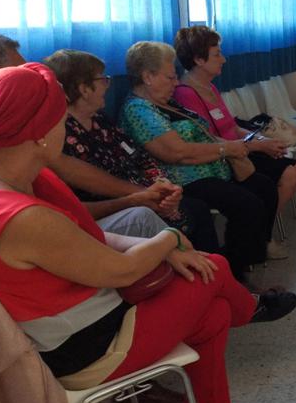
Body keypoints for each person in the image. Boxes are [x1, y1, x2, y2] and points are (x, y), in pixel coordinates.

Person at [0, 63, 296, 403]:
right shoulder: (20, 215)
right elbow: (121, 271)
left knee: (214, 312)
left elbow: (87, 237)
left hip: (94, 318)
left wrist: (164, 247)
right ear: (40, 135)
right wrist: (170, 238)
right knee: (216, 268)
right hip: (89, 348)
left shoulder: (14, 180)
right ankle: (248, 309)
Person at [120, 41, 281, 283]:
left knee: (264, 187)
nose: (176, 83)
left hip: (211, 168)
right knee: (247, 204)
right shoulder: (139, 111)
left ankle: (244, 259)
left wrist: (235, 148)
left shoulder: (166, 102)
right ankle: (231, 274)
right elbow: (176, 153)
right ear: (148, 76)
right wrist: (226, 148)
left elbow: (203, 133)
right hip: (185, 179)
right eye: (170, 77)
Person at [43, 49, 220, 254]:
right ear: (84, 89)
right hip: (114, 207)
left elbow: (140, 158)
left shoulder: (100, 120)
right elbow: (85, 188)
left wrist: (163, 186)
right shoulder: (61, 132)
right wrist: (149, 195)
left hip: (146, 194)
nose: (107, 85)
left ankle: (215, 275)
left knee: (196, 208)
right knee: (191, 211)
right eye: (103, 79)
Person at [172, 25, 296, 258]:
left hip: (241, 150)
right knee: (283, 176)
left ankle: (261, 231)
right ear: (198, 60)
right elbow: (211, 139)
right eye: (217, 54)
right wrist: (259, 146)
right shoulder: (186, 94)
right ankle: (261, 238)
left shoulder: (210, 87)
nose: (223, 59)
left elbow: (232, 127)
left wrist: (261, 138)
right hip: (224, 158)